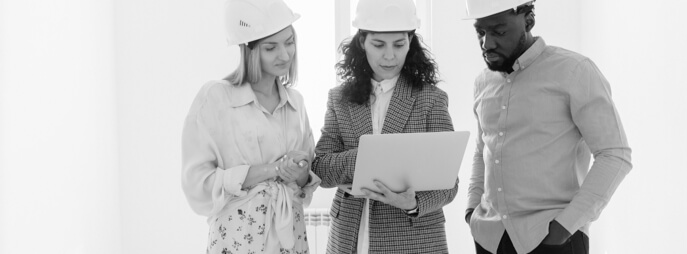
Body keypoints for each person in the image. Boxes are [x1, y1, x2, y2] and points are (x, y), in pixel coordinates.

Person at [462, 0, 633, 253]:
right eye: (480, 32)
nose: (487, 43)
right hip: (491, 238)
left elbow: (615, 154)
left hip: (551, 238)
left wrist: (565, 226)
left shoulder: (574, 71)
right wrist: (471, 208)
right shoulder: (482, 82)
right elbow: (482, 150)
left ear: (528, 21)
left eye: (498, 31)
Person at [311, 0, 458, 253]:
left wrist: (413, 202)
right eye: (378, 45)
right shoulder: (339, 98)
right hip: (350, 237)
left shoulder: (431, 99)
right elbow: (321, 169)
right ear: (362, 42)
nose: (390, 56)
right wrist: (368, 159)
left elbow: (449, 183)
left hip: (414, 240)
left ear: (410, 42)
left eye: (399, 44)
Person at [181, 0, 320, 253]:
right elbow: (197, 185)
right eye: (271, 47)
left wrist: (298, 171)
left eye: (289, 42)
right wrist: (271, 169)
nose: (285, 55)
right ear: (249, 50)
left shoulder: (296, 103)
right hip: (238, 237)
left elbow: (305, 181)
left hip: (291, 236)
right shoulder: (215, 98)